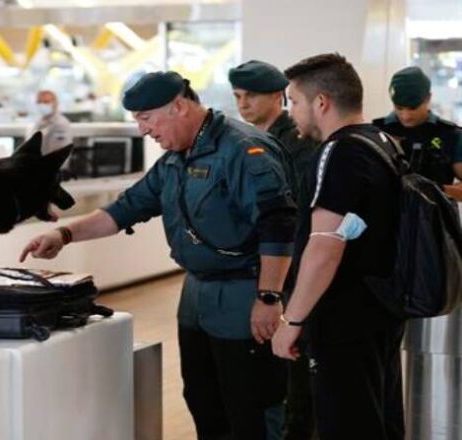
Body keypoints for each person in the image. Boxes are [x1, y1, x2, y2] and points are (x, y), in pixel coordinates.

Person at [21, 71, 297, 439]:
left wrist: (269, 296)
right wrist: (64, 233)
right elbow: (124, 209)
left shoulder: (243, 149)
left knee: (251, 407)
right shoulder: (174, 159)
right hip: (196, 297)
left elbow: (278, 226)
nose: (142, 130)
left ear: (179, 107)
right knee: (204, 400)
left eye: (146, 118)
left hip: (244, 294)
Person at [272, 53, 404, 440]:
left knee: (346, 424)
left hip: (343, 320)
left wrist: (291, 321)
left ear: (322, 102)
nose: (291, 111)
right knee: (378, 418)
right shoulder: (382, 141)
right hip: (380, 311)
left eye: (293, 101)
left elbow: (325, 247)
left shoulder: (339, 151)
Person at [229, 59, 317, 440]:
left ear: (278, 97)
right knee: (261, 378)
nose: (243, 104)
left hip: (293, 275)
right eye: (237, 96)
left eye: (251, 95)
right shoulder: (244, 142)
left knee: (294, 379)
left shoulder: (299, 144)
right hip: (257, 272)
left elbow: (294, 215)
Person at [372, 66, 462, 185]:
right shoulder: (377, 132)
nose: (406, 116)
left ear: (428, 98)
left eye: (413, 108)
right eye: (399, 108)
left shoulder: (450, 135)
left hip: (434, 203)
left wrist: (434, 191)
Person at [28, 90, 73, 155]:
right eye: (39, 102)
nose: (42, 105)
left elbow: (60, 154)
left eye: (46, 102)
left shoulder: (60, 124)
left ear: (55, 103)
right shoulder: (39, 122)